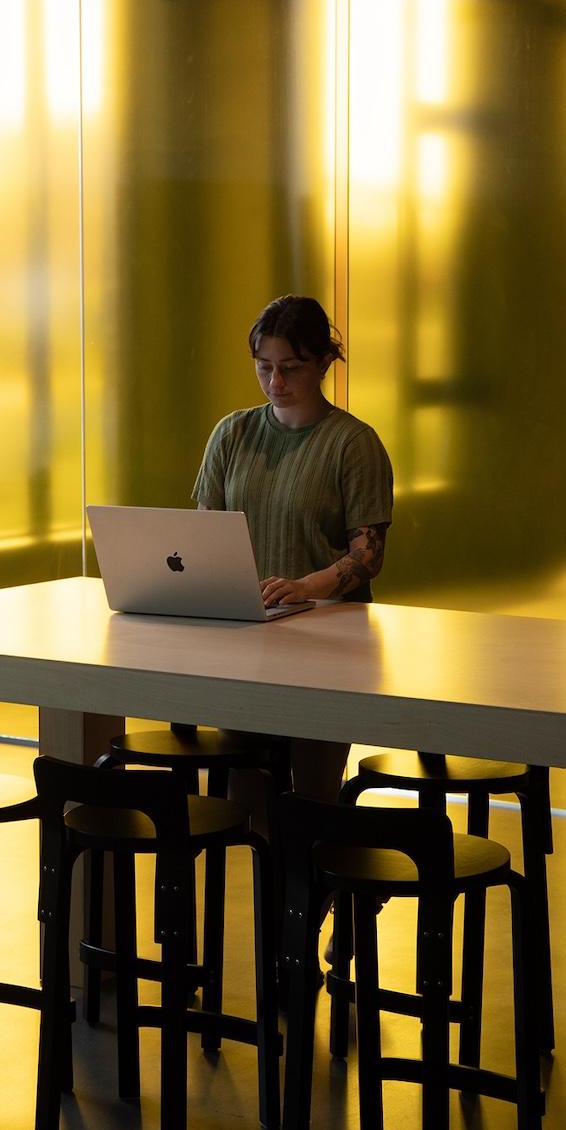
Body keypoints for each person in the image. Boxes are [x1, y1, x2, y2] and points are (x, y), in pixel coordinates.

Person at [192, 294, 393, 803]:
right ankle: (271, 881)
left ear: (325, 362)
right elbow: (204, 534)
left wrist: (304, 587)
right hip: (247, 637)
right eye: (264, 368)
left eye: (291, 368)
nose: (275, 383)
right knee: (245, 792)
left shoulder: (353, 443)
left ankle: (321, 882)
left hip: (330, 641)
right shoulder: (233, 432)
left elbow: (366, 556)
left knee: (314, 795)